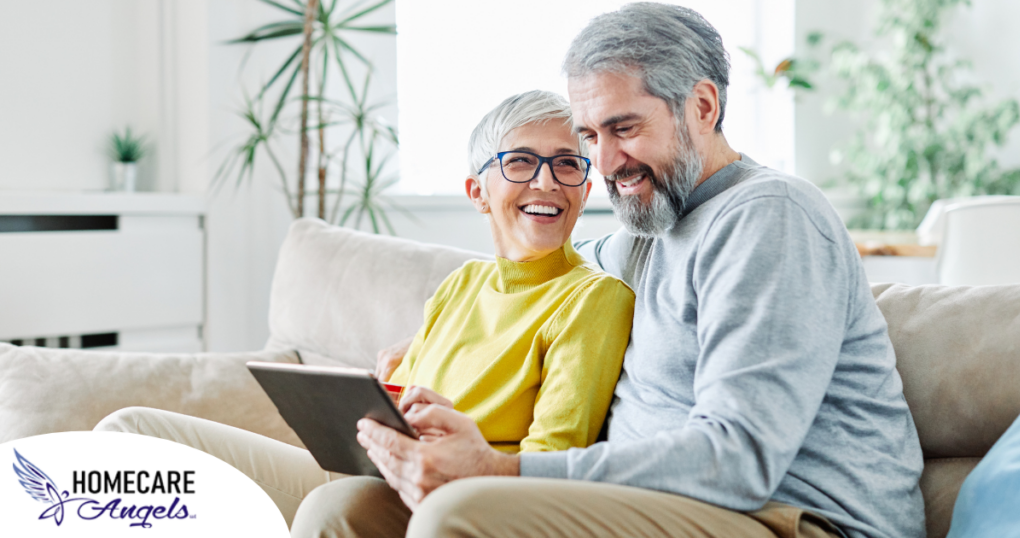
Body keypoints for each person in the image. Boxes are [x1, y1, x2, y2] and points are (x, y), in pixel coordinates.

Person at [356, 4, 926, 538]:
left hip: (793, 517)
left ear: (703, 108)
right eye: (590, 136)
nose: (602, 163)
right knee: (349, 510)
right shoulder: (649, 230)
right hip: (671, 507)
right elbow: (537, 278)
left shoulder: (769, 218)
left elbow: (738, 459)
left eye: (624, 128)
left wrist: (502, 470)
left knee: (458, 513)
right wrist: (431, 339)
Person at [94, 90, 635, 533]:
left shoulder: (594, 299)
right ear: (478, 192)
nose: (546, 182)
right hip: (371, 469)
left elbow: (553, 459)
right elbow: (413, 398)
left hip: (451, 499)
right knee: (129, 430)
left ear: (585, 189)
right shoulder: (464, 282)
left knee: (335, 508)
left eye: (567, 166)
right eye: (520, 162)